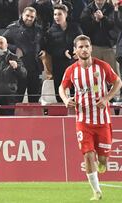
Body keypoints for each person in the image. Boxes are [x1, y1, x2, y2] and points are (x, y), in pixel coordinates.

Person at [59, 34, 122, 201]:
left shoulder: (102, 66)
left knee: (102, 160)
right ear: (75, 50)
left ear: (91, 48)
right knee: (88, 154)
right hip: (83, 120)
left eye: (86, 46)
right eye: (80, 47)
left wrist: (107, 98)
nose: (84, 49)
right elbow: (62, 87)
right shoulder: (71, 70)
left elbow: (118, 82)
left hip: (102, 120)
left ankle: (102, 163)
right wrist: (66, 99)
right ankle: (96, 191)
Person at [3, 6, 44, 103]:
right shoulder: (13, 28)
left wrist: (44, 50)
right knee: (17, 99)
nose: (29, 18)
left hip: (35, 69)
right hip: (19, 69)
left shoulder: (39, 30)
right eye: (27, 16)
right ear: (22, 15)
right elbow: (1, 42)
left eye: (32, 17)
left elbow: (43, 43)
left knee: (34, 100)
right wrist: (15, 49)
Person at [45, 4, 82, 102]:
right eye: (55, 14)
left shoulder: (75, 27)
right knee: (60, 87)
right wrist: (62, 52)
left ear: (66, 14)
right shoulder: (50, 32)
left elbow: (81, 41)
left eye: (59, 14)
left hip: (74, 62)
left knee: (76, 86)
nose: (57, 17)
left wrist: (77, 52)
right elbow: (49, 48)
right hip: (58, 63)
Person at [80, 0, 119, 77]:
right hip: (94, 47)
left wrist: (103, 18)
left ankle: (114, 89)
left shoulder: (112, 8)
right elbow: (85, 29)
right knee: (95, 74)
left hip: (110, 47)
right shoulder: (87, 9)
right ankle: (96, 89)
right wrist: (96, 21)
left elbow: (115, 25)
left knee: (113, 74)